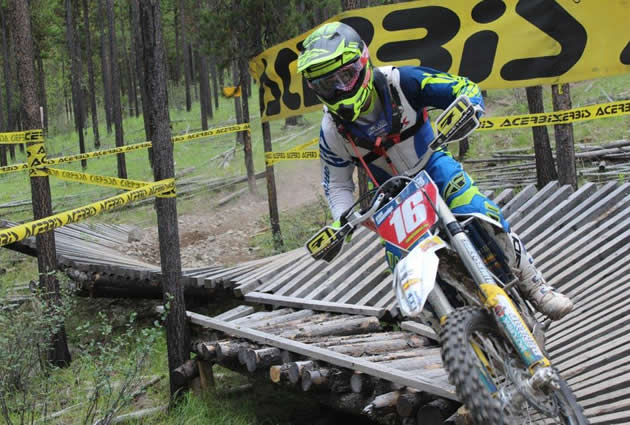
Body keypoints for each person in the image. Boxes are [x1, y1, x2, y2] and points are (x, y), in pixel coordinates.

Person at [297, 21, 573, 320]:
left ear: (363, 64)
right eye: (327, 84)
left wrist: (468, 108)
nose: (339, 89)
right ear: (315, 89)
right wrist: (344, 220)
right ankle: (443, 324)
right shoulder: (332, 131)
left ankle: (536, 287)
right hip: (393, 198)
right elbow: (337, 185)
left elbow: (463, 88)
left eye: (346, 76)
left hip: (433, 166)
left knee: (480, 213)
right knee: (400, 264)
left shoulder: (401, 81)